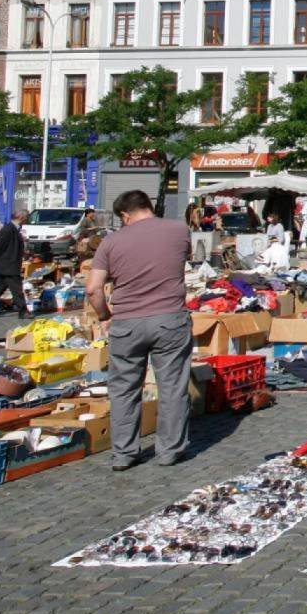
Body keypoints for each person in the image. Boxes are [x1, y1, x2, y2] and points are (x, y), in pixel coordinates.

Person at [86, 189, 195, 471]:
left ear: (125, 215)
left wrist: (104, 315)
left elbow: (93, 289)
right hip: (170, 318)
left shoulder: (111, 242)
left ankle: (124, 453)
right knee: (172, 387)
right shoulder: (179, 229)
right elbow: (185, 260)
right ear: (148, 206)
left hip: (127, 322)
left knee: (123, 389)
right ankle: (169, 450)